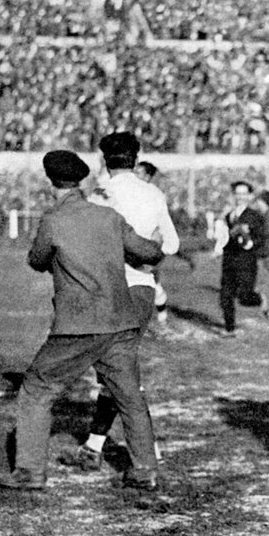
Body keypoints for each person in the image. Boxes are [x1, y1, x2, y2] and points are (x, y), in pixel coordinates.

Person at [0, 150, 164, 491]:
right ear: (83, 181)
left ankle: (29, 473)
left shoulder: (54, 220)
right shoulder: (109, 217)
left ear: (51, 183)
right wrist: (155, 243)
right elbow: (148, 252)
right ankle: (145, 470)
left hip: (78, 325)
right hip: (120, 321)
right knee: (129, 396)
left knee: (37, 389)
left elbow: (37, 260)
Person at [57, 133, 180, 472]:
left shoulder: (99, 195)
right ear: (136, 157)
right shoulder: (153, 192)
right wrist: (143, 257)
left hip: (104, 290)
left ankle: (147, 452)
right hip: (141, 290)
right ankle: (95, 446)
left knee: (118, 373)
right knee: (117, 369)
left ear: (103, 159)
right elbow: (170, 244)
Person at [218, 180, 269, 337]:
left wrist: (250, 242)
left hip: (246, 262)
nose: (240, 197)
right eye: (237, 194)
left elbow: (261, 239)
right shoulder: (228, 216)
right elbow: (224, 238)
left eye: (244, 194)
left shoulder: (255, 216)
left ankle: (260, 299)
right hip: (229, 261)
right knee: (225, 295)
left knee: (244, 297)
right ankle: (229, 328)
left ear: (250, 196)